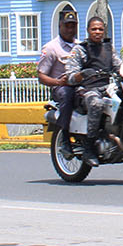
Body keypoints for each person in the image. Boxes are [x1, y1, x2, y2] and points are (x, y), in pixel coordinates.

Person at [63, 15, 119, 159]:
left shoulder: (108, 48)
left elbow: (119, 66)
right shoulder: (80, 49)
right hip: (87, 90)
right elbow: (70, 76)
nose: (97, 32)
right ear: (88, 30)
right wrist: (82, 75)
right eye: (94, 29)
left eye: (100, 29)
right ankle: (89, 146)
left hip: (107, 88)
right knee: (96, 103)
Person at [36, 11, 81, 157]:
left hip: (80, 86)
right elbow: (41, 76)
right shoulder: (51, 48)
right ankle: (66, 139)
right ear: (60, 26)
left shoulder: (81, 46)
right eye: (67, 26)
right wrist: (57, 82)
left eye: (73, 26)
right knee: (68, 94)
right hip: (61, 88)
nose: (70, 30)